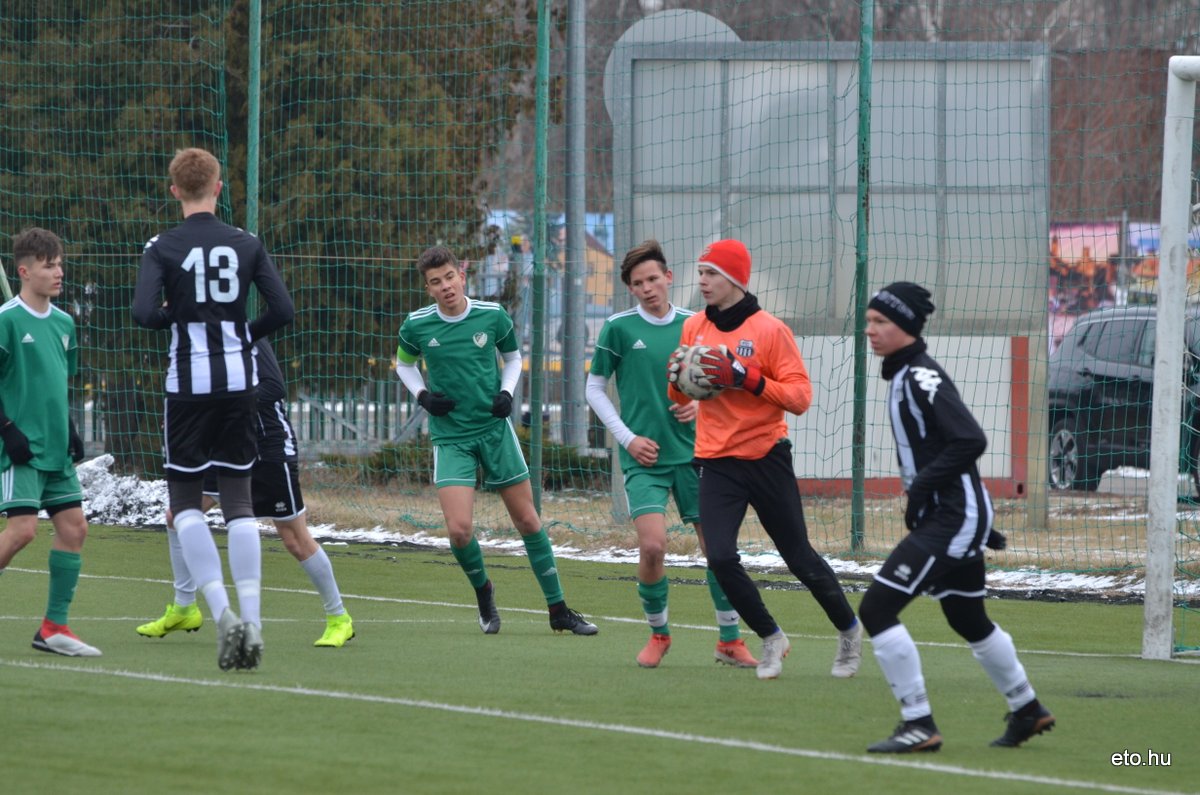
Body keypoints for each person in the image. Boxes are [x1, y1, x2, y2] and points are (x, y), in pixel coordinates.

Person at [860, 281, 1054, 753]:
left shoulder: (922, 377)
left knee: (876, 609)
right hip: (958, 515)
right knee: (968, 618)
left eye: (881, 322)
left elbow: (970, 439)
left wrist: (926, 491)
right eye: (868, 322)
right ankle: (1027, 709)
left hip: (950, 517)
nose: (871, 331)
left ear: (906, 327)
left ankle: (917, 722)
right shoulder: (905, 375)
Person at [668, 239, 861, 681]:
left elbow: (799, 397)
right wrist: (676, 380)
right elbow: (678, 396)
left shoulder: (770, 330)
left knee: (798, 557)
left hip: (766, 456)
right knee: (719, 557)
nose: (702, 281)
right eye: (700, 272)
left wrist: (746, 378)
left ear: (735, 279)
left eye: (711, 273)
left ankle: (849, 631)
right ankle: (771, 638)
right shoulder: (694, 327)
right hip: (716, 461)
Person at [133, 147, 295, 671]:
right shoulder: (246, 244)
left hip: (188, 387)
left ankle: (222, 614)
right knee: (239, 502)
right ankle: (253, 619)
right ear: (219, 187)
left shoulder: (161, 246)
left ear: (174, 189)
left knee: (184, 505)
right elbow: (283, 310)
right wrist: (243, 334)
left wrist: (176, 318)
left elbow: (141, 313)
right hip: (239, 383)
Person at [394, 245, 597, 636]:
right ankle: (484, 591)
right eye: (436, 282)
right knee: (459, 531)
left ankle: (559, 610)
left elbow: (514, 358)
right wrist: (423, 397)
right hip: (451, 437)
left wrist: (506, 393)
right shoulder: (417, 325)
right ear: (428, 289)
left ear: (462, 276)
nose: (445, 286)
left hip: (493, 431)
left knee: (528, 520)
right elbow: (404, 363)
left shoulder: (492, 316)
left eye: (450, 277)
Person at [587, 240, 757, 668]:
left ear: (668, 277)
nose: (647, 288)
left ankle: (730, 641)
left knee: (718, 551)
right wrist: (628, 439)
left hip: (699, 456)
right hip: (644, 458)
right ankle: (659, 634)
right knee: (653, 548)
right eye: (637, 283)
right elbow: (594, 389)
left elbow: (722, 380)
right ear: (630, 288)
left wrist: (700, 402)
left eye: (652, 279)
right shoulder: (619, 329)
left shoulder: (697, 324)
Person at [137, 339, 354, 648]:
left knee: (294, 537)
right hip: (222, 444)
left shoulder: (242, 332)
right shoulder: (190, 343)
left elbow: (273, 388)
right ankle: (184, 607)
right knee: (178, 516)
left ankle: (339, 618)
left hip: (266, 447)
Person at [0, 227, 100, 657]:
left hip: (56, 449)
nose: (59, 272)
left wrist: (71, 427)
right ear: (24, 271)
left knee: (74, 528)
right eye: (49, 265)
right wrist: (7, 429)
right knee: (22, 532)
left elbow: (58, 381)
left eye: (60, 263)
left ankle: (54, 627)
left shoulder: (64, 323)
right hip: (20, 450)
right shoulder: (6, 320)